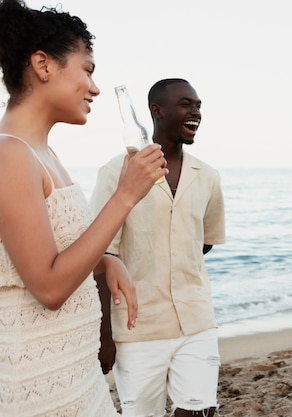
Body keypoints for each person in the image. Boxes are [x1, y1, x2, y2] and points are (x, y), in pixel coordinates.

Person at [0, 0, 167, 416]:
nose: (94, 87)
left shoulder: (43, 153)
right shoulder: (9, 155)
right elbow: (49, 287)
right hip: (39, 383)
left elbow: (49, 254)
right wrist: (125, 195)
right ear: (43, 65)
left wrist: (106, 262)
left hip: (78, 374)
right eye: (87, 69)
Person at [91, 78, 225, 417]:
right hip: (138, 329)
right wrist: (104, 334)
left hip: (196, 320)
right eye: (186, 104)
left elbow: (203, 243)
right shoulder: (115, 172)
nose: (195, 112)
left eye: (198, 106)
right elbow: (101, 258)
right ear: (157, 111)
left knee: (199, 411)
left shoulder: (207, 176)